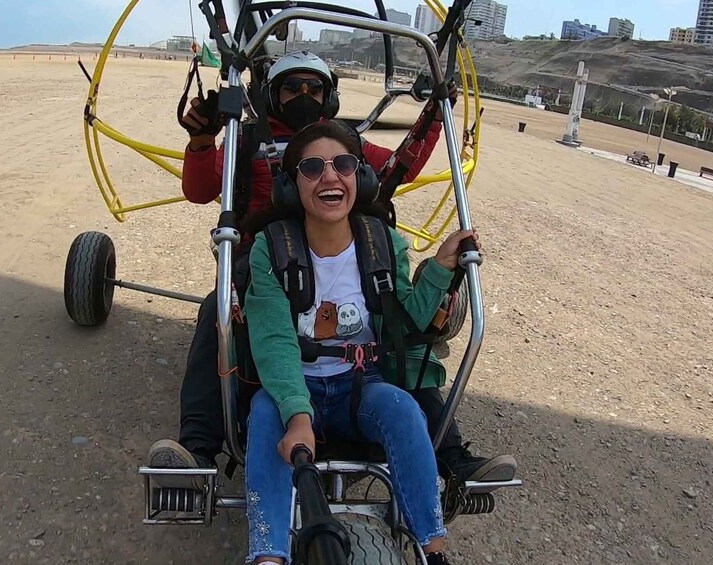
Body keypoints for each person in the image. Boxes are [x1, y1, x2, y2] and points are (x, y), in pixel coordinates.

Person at [148, 50, 515, 494]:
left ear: (330, 97)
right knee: (217, 311)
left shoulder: (345, 145)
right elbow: (200, 190)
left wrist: (436, 113)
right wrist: (204, 142)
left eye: (313, 88)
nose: (303, 95)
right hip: (265, 261)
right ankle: (199, 453)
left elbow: (402, 164)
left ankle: (452, 458)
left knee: (396, 329)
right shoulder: (246, 140)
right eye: (291, 87)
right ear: (271, 96)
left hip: (342, 254)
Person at [244, 120, 465, 565]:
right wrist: (298, 415)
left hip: (358, 386)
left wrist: (439, 269)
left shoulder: (382, 243)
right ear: (292, 185)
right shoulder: (272, 248)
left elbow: (404, 324)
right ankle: (266, 555)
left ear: (358, 177)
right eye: (312, 168)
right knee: (264, 415)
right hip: (293, 387)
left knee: (404, 409)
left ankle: (433, 549)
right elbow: (272, 338)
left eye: (342, 164)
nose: (330, 176)